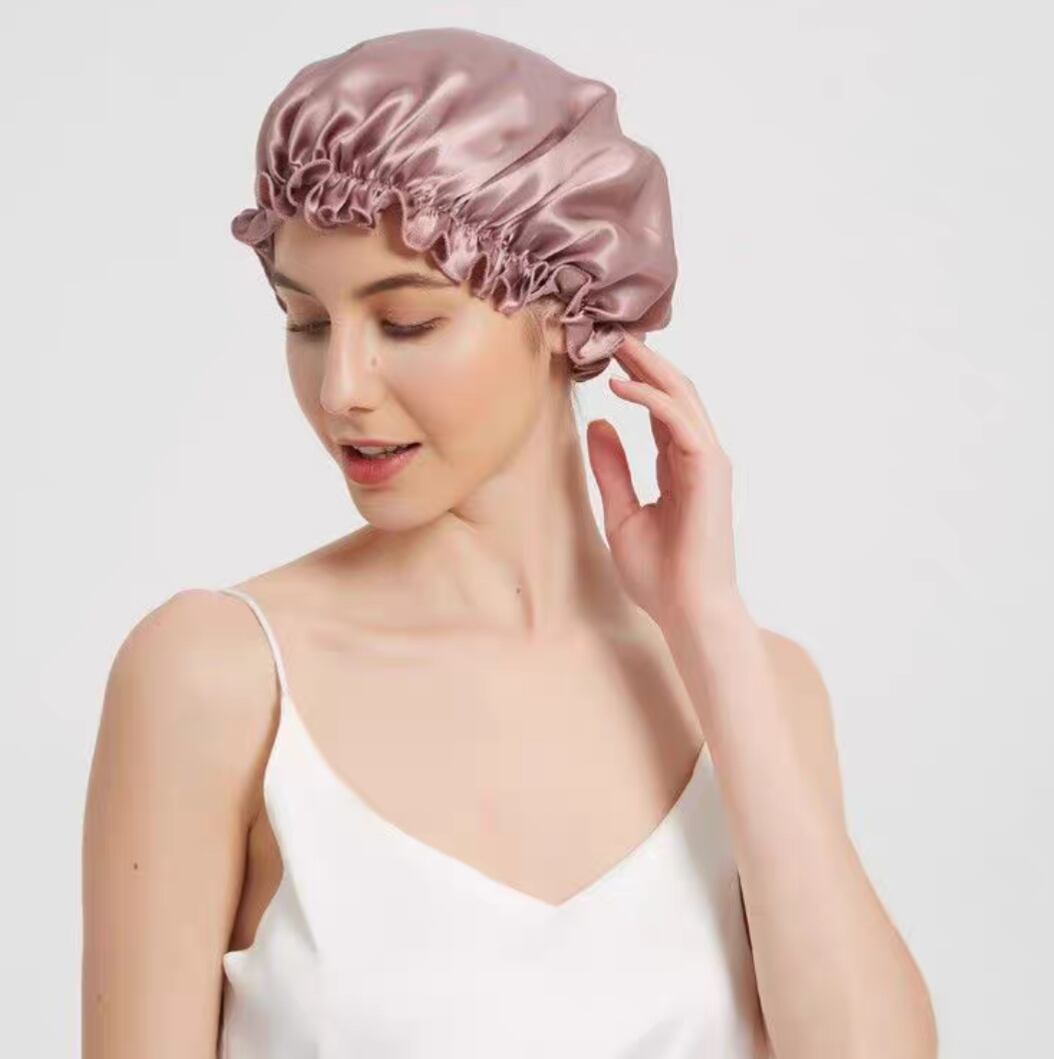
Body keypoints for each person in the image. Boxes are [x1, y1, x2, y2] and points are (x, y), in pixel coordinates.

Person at [81, 27, 937, 1059]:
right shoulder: (215, 679)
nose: (340, 388)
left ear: (563, 309)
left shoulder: (760, 689)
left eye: (406, 323)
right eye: (304, 322)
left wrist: (709, 629)